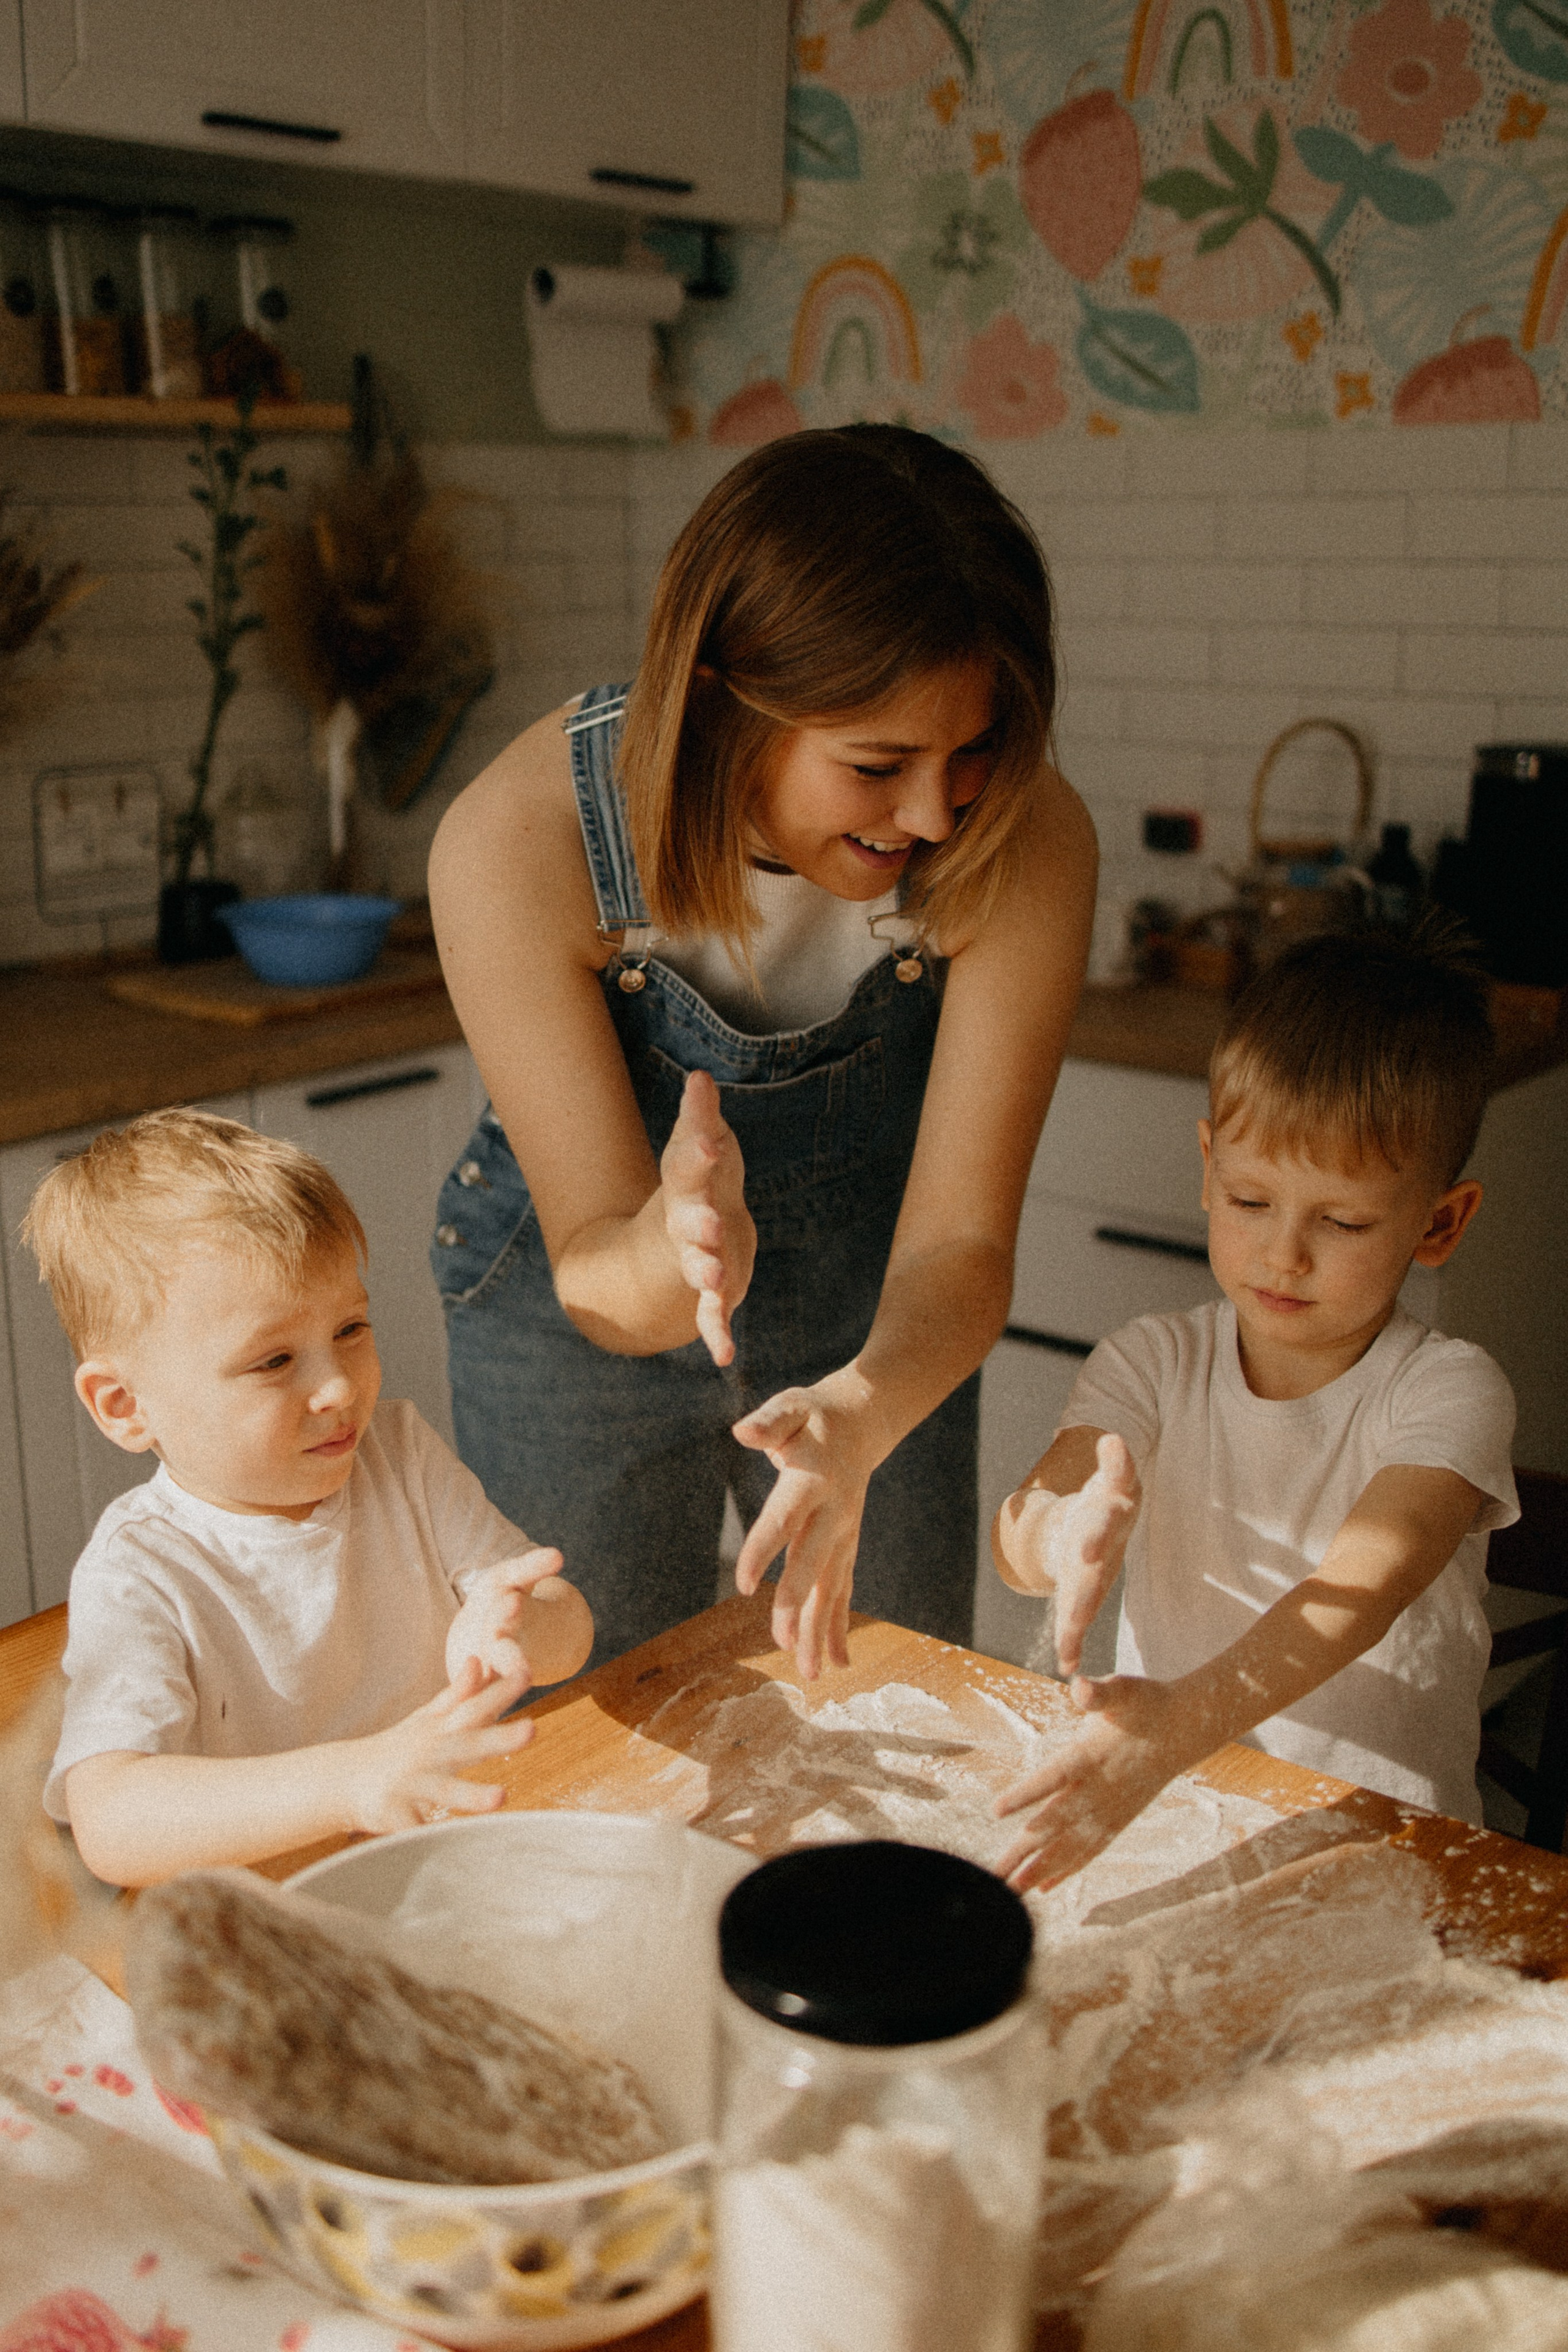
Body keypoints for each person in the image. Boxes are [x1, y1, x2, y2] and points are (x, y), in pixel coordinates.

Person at [428, 426, 1096, 1682]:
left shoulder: (1023, 838)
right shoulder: (522, 841)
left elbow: (959, 1247)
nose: (932, 813)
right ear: (719, 701)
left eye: (970, 750)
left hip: (882, 1323)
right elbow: (597, 1273)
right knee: (588, 1718)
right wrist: (671, 1244)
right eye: (877, 765)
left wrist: (858, 1411)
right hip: (575, 1329)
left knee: (888, 1704)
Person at [989, 924, 1518, 1891]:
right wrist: (1062, 1538)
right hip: (1182, 1821)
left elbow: (1362, 1591)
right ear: (1207, 1168)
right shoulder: (1151, 1363)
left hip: (1387, 1852)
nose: (1285, 1254)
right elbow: (1021, 1530)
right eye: (1249, 1201)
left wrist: (1178, 1726)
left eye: (1343, 1220)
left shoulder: (1449, 1391)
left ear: (1439, 1222)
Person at [25, 1109, 594, 1888]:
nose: (338, 1388)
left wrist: (519, 1626)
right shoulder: (141, 1572)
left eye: (351, 1329)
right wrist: (354, 1781)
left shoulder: (397, 1454)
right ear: (125, 1406)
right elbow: (112, 1821)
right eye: (274, 1361)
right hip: (277, 1921)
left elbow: (568, 1626)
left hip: (446, 1870)